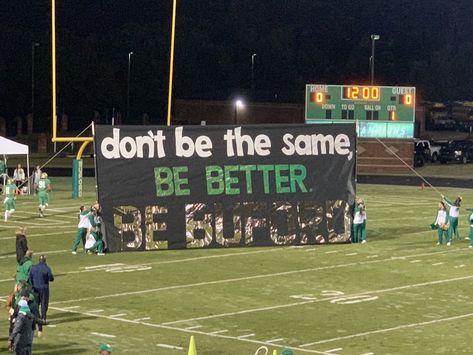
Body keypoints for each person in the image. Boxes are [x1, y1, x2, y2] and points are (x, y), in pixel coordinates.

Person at [29, 255, 54, 336]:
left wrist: (33, 285)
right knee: (44, 304)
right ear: (45, 261)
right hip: (44, 288)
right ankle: (43, 319)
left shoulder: (33, 268)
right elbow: (51, 278)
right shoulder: (46, 268)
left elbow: (30, 278)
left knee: (36, 305)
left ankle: (35, 319)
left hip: (35, 288)